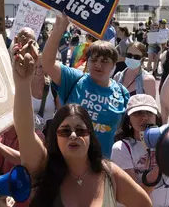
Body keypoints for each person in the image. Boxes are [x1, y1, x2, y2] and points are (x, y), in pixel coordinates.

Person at [12, 41, 152, 207]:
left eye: (80, 130)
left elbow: (143, 205)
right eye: (64, 131)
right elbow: (25, 131)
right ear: (55, 136)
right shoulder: (43, 167)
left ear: (90, 135)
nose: (73, 135)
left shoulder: (110, 174)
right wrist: (22, 85)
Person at [42, 13, 130, 158]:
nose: (98, 65)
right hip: (68, 161)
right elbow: (47, 63)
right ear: (87, 61)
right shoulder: (74, 79)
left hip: (103, 164)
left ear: (114, 65)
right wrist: (59, 29)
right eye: (94, 59)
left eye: (104, 61)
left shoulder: (122, 92)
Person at [112, 95, 169, 207]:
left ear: (156, 117)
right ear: (128, 120)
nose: (144, 117)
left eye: (149, 113)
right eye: (137, 113)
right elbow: (135, 198)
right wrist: (159, 165)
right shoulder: (122, 148)